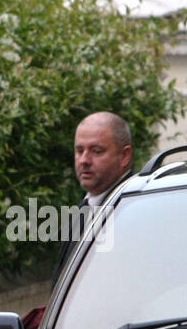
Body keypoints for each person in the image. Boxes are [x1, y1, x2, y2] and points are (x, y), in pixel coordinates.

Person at [53, 111, 133, 283]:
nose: (84, 160)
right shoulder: (83, 210)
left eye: (96, 151)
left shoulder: (133, 212)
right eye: (79, 151)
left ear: (124, 156)